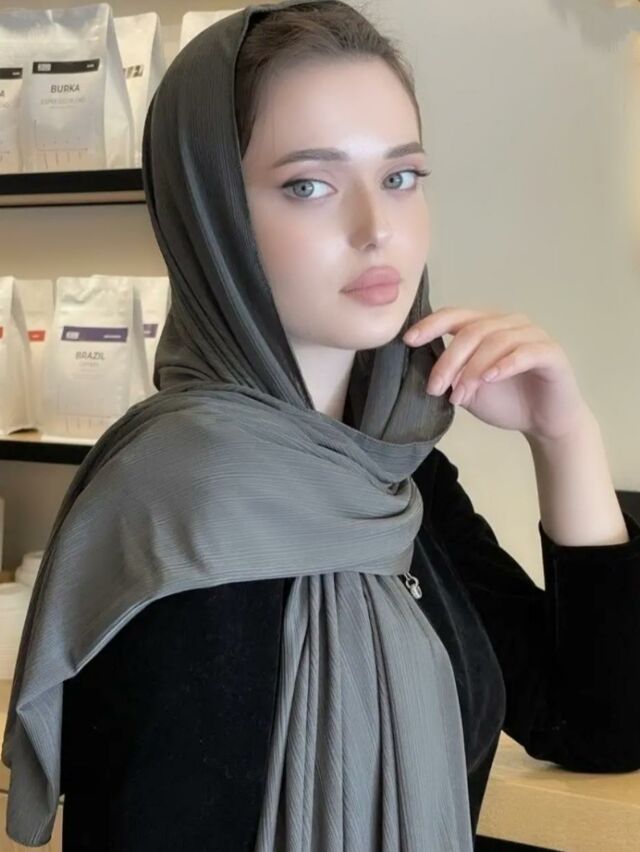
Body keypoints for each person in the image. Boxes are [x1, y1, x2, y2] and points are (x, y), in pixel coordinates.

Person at [3, 2, 640, 850]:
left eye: (401, 176)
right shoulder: (181, 509)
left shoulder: (392, 470)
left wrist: (564, 437)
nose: (378, 230)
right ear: (212, 215)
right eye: (309, 185)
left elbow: (596, 725)